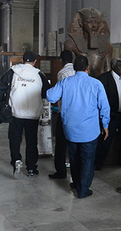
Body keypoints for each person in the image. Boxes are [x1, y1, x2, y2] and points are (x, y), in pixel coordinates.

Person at [46, 55, 110, 199]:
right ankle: (84, 188)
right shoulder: (96, 84)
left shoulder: (66, 82)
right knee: (87, 159)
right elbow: (104, 107)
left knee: (74, 157)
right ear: (88, 68)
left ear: (74, 68)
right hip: (90, 129)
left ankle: (76, 183)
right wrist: (105, 125)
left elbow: (50, 97)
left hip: (70, 129)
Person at [0, 51, 50, 176]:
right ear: (35, 61)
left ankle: (16, 161)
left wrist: (1, 102)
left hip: (15, 113)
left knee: (15, 139)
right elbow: (47, 93)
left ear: (22, 60)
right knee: (31, 141)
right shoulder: (39, 75)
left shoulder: (13, 72)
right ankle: (31, 168)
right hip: (33, 114)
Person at [95, 58, 121, 169]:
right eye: (118, 65)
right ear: (113, 66)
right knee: (106, 139)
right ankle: (98, 162)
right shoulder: (104, 79)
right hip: (112, 115)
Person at [48, 50, 75, 179]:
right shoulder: (77, 72)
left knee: (60, 144)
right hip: (77, 113)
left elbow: (58, 94)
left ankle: (61, 171)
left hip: (64, 113)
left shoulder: (62, 73)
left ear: (61, 60)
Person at [64, 7, 112, 78]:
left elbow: (107, 71)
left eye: (97, 22)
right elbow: (71, 72)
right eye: (89, 22)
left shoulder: (107, 45)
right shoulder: (71, 44)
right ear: (80, 22)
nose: (94, 25)